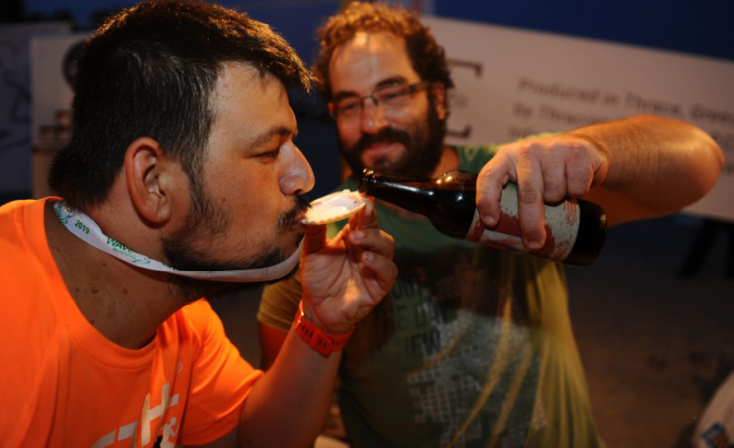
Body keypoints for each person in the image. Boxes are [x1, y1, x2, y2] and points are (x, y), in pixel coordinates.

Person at [257, 2, 724, 447]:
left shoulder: (514, 181)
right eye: (350, 104)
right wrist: (319, 326)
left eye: (393, 93)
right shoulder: (318, 247)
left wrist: (597, 150)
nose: (373, 122)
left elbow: (703, 163)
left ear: (438, 98)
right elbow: (276, 437)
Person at [0, 1, 398, 447]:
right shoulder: (10, 334)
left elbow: (251, 439)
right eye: (268, 152)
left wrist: (321, 325)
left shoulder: (179, 311)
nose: (303, 176)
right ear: (153, 182)